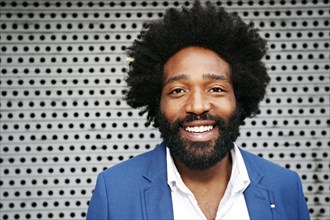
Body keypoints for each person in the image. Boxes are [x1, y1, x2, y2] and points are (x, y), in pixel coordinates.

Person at [87, 1, 310, 219]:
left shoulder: (285, 187)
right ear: (157, 102)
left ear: (238, 97)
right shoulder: (114, 191)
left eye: (215, 88)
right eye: (177, 91)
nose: (197, 106)